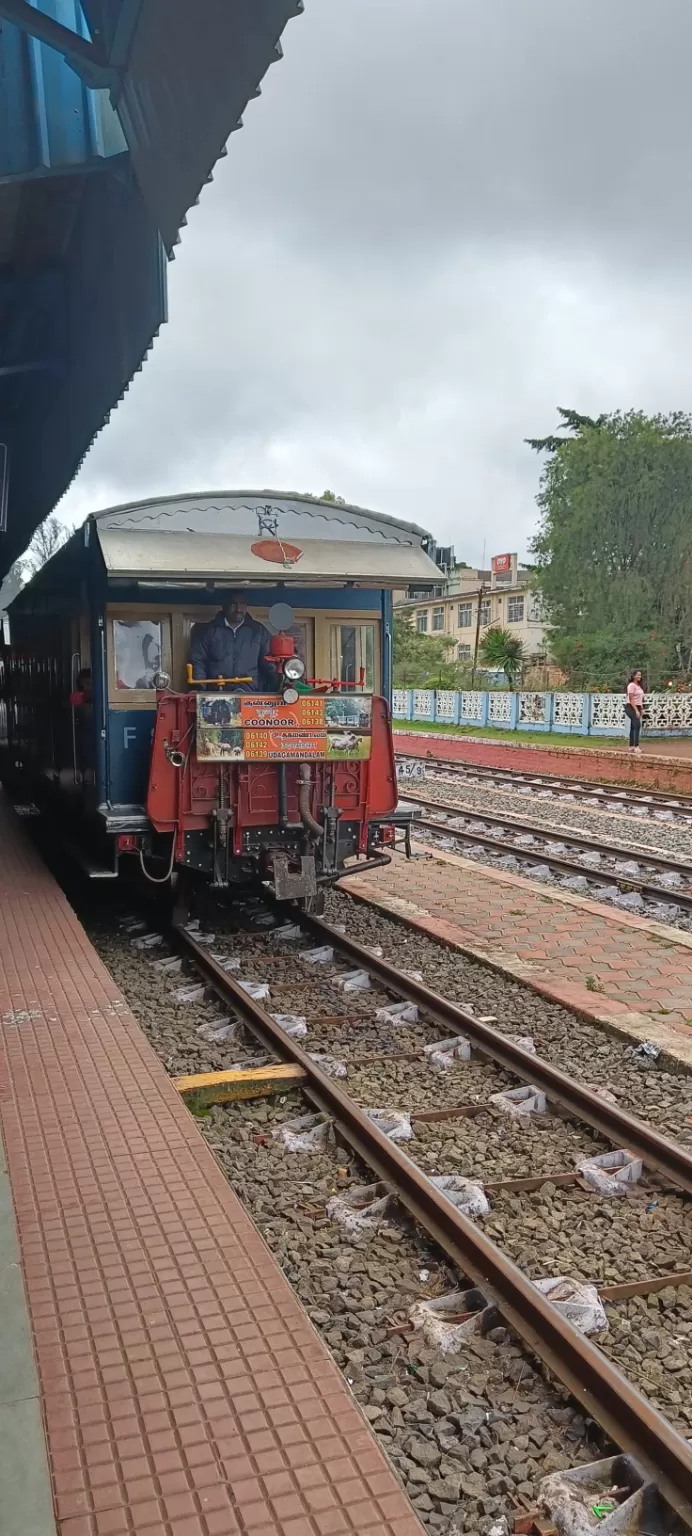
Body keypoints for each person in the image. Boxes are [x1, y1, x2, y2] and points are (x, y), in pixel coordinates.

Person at [190, 592, 278, 692]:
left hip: (250, 695)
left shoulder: (259, 631)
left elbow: (269, 665)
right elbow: (198, 662)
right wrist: (199, 689)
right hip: (216, 694)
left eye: (242, 604)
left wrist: (279, 686)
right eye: (233, 604)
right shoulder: (208, 631)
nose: (238, 609)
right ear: (223, 605)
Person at [625, 668, 644, 752]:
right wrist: (636, 710)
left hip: (638, 706)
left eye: (640, 675)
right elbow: (631, 698)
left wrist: (641, 709)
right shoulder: (631, 685)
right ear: (633, 676)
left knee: (633, 726)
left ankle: (631, 746)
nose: (640, 676)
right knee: (637, 725)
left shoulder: (639, 686)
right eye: (638, 675)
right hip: (631, 707)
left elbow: (640, 699)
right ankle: (636, 746)